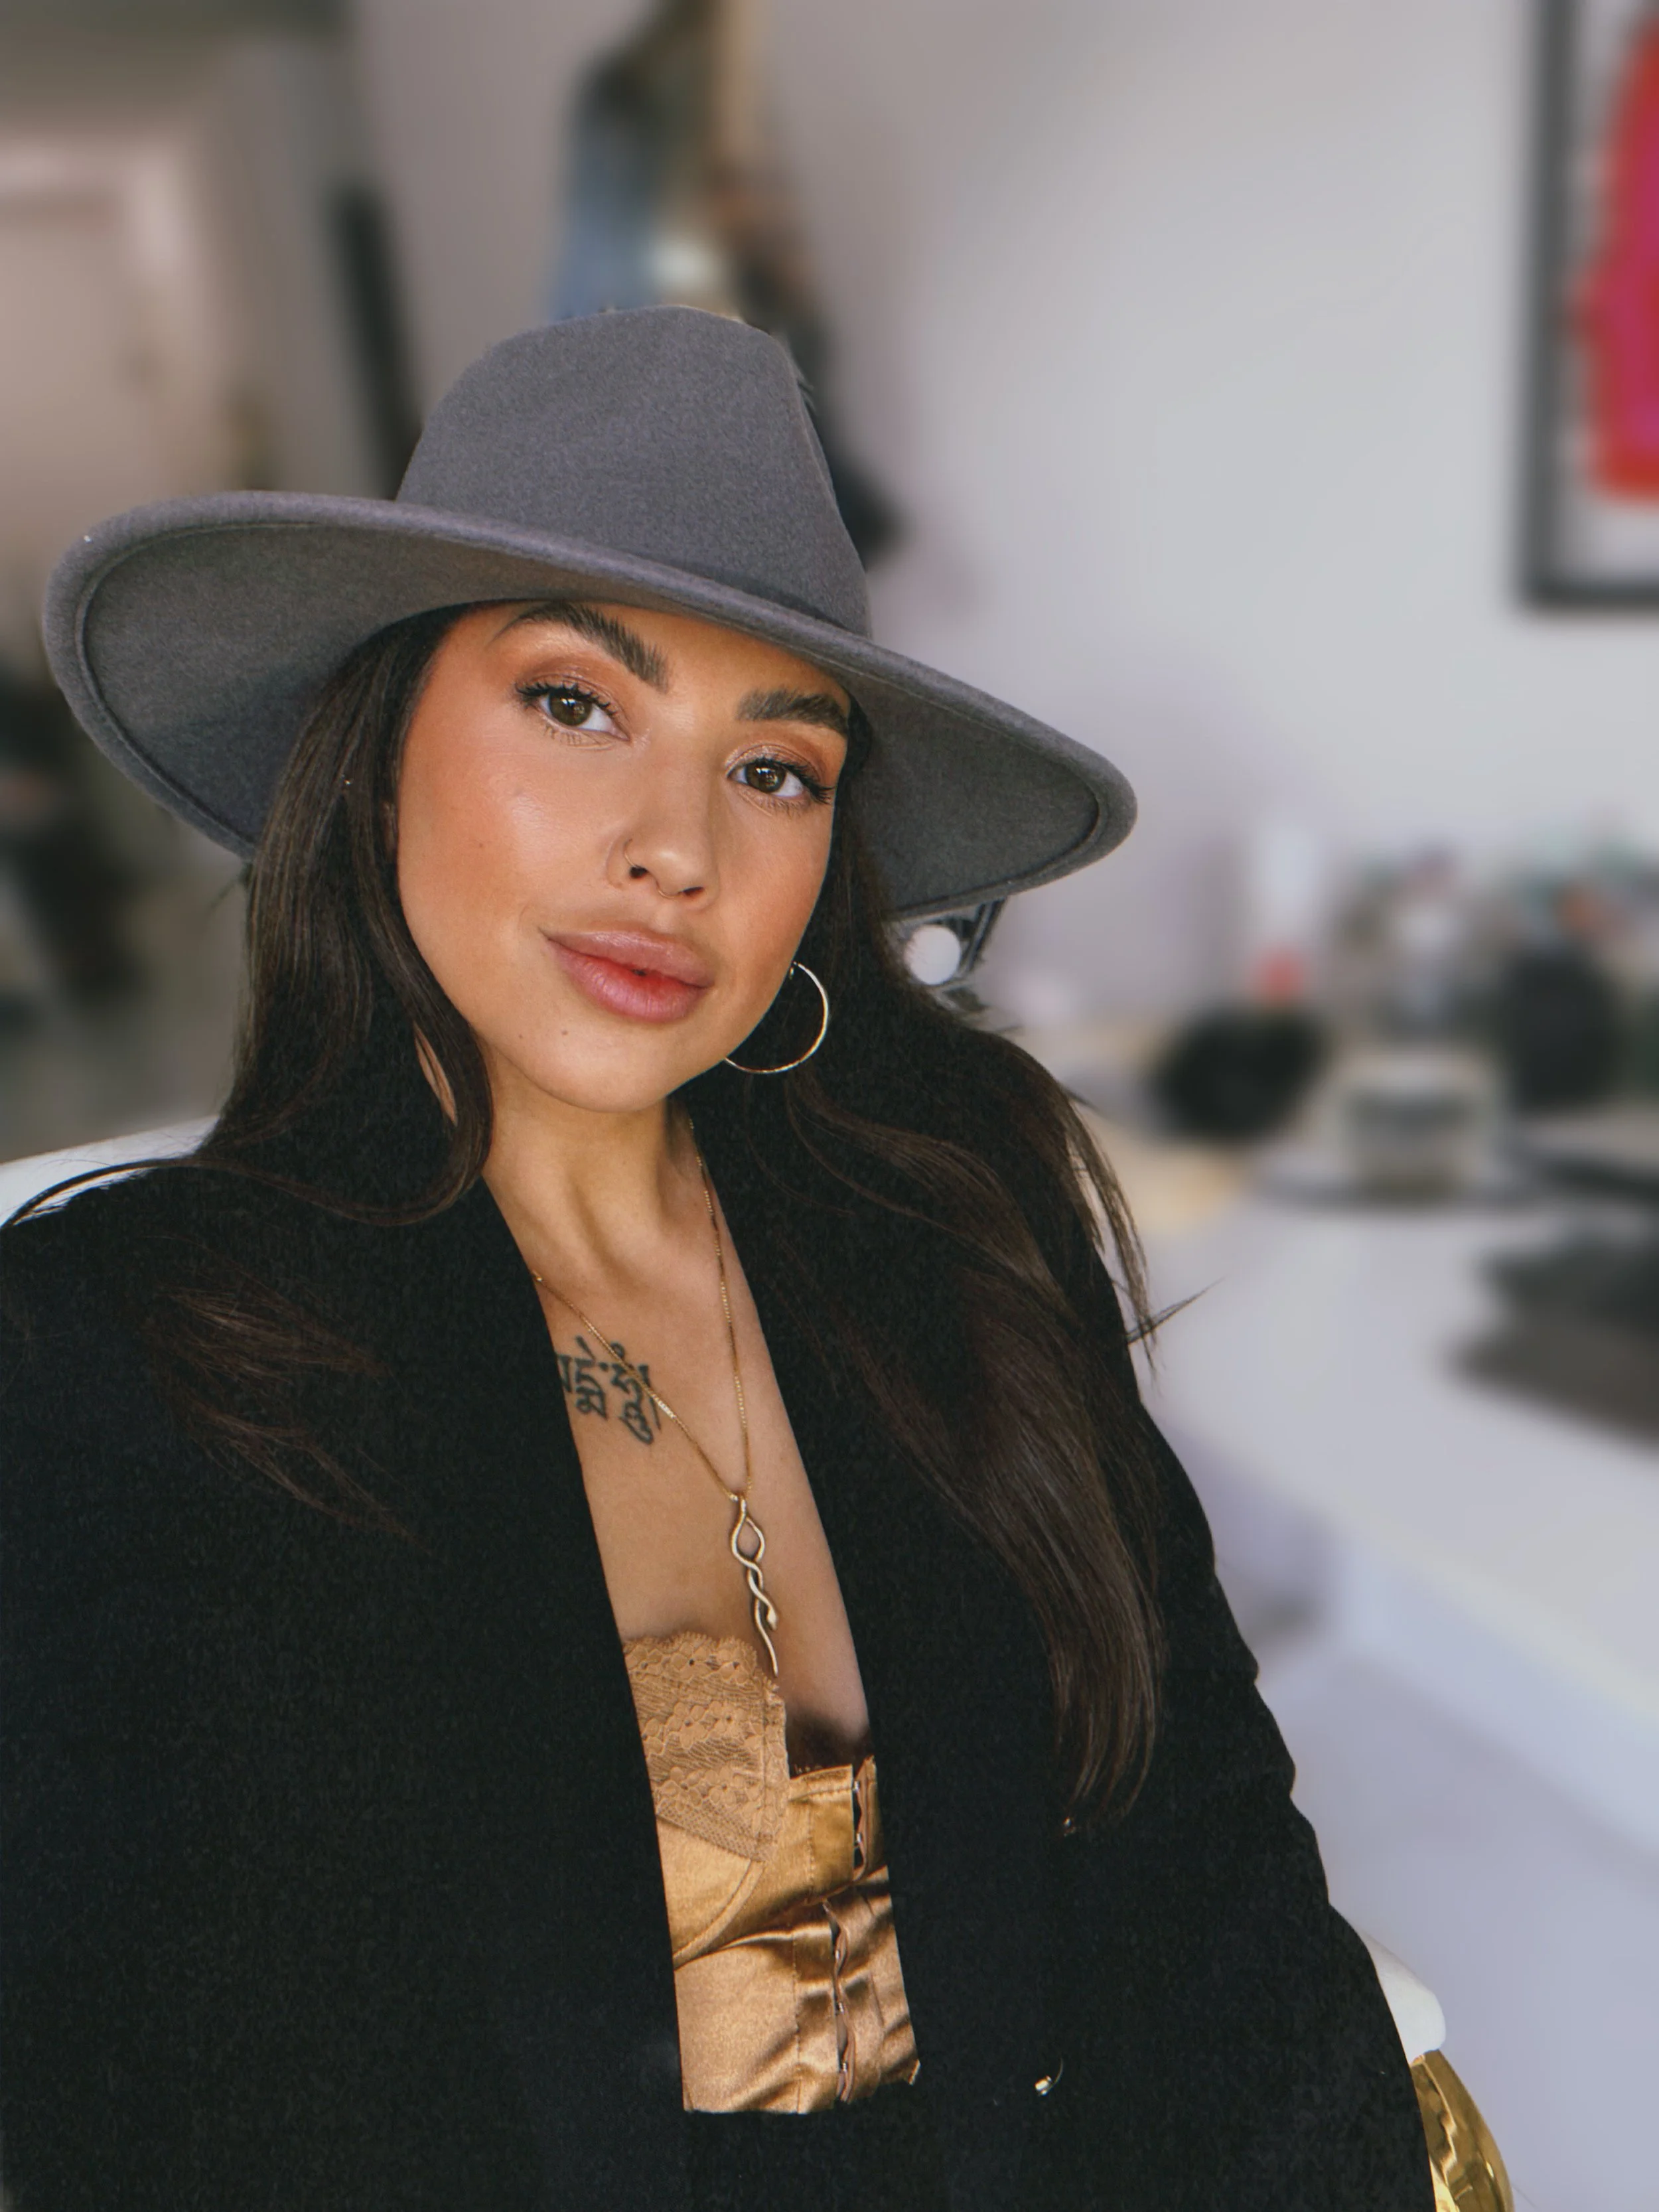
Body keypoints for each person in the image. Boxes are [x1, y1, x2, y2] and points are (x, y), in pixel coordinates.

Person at [0, 307, 1434, 2211]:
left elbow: (1208, 1868)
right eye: (574, 705)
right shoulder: (122, 1352)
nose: (675, 849)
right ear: (371, 751)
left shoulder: (952, 1219)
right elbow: (113, 2107)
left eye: (775, 769)